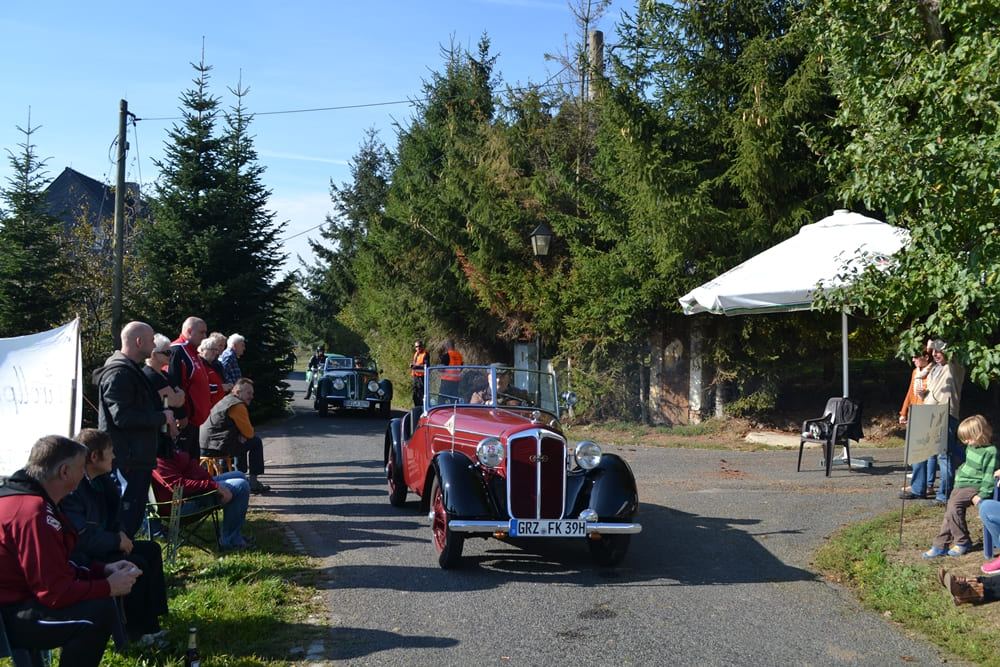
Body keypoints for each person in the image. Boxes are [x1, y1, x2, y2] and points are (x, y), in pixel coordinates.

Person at [0, 435, 140, 667]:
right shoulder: (33, 512)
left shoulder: (22, 497)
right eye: (81, 468)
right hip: (9, 615)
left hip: (19, 600)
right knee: (97, 615)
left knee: (99, 607)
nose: (84, 474)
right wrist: (107, 586)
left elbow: (55, 567)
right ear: (64, 472)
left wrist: (102, 570)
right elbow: (54, 593)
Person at [61, 429, 169, 643]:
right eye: (110, 451)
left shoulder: (102, 481)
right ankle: (136, 631)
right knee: (135, 564)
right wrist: (116, 541)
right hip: (85, 555)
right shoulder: (75, 490)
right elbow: (81, 538)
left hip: (105, 543)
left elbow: (114, 514)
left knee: (152, 549)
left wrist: (119, 532)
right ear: (94, 456)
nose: (114, 456)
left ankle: (153, 618)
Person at [92, 321, 174, 537]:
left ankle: (127, 554)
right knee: (123, 519)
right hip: (126, 458)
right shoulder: (118, 374)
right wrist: (161, 418)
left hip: (137, 457)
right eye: (151, 340)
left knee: (133, 517)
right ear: (138, 342)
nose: (154, 345)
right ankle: (118, 556)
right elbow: (122, 417)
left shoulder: (130, 371)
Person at [156, 440, 254, 550]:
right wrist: (214, 486)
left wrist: (209, 481)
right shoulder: (159, 456)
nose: (178, 427)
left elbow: (190, 468)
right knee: (241, 486)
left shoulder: (168, 446)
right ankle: (230, 540)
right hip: (179, 506)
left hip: (189, 494)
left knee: (239, 475)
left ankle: (233, 535)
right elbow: (178, 485)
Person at [922, 415, 997, 559]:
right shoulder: (971, 447)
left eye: (969, 438)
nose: (967, 442)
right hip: (961, 484)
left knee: (954, 506)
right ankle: (941, 544)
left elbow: (989, 476)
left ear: (979, 434)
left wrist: (983, 494)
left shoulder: (990, 452)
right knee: (950, 511)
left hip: (974, 486)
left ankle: (962, 541)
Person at [200, 378, 271, 494]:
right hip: (216, 447)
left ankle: (240, 475)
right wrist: (242, 434)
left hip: (205, 444)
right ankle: (253, 482)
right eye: (248, 393)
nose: (251, 396)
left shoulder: (227, 400)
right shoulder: (237, 406)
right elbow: (249, 433)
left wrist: (240, 434)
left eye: (252, 393)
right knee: (255, 441)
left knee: (241, 442)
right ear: (238, 392)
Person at [920, 338, 966, 505]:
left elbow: (953, 353)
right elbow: (933, 393)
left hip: (946, 413)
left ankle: (944, 495)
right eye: (933, 352)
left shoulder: (953, 367)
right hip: (931, 413)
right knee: (935, 452)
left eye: (938, 351)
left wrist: (932, 344)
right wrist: (923, 394)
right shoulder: (935, 369)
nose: (934, 354)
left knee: (944, 454)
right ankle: (931, 488)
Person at [168, 316, 211, 458]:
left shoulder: (193, 352)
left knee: (193, 462)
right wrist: (180, 415)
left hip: (194, 421)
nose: (205, 336)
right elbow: (174, 385)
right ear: (189, 331)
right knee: (183, 461)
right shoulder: (178, 351)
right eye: (201, 332)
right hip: (185, 421)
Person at [900, 348, 936, 499]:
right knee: (917, 452)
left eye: (916, 356)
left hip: (928, 413)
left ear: (926, 357)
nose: (913, 360)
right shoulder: (916, 372)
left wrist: (925, 392)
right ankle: (918, 483)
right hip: (915, 413)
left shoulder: (934, 372)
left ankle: (929, 484)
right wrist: (903, 412)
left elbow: (935, 394)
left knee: (930, 452)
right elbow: (910, 392)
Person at [198, 337, 229, 408]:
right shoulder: (198, 366)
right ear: (202, 350)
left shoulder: (216, 365)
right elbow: (202, 388)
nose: (215, 352)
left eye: (216, 350)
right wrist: (221, 387)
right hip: (206, 408)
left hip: (218, 407)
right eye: (212, 349)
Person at [410, 340, 429, 406]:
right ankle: (416, 407)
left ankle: (422, 407)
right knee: (415, 394)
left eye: (419, 346)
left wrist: (416, 366)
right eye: (416, 346)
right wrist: (412, 365)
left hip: (422, 377)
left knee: (421, 394)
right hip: (416, 377)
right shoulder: (416, 354)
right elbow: (415, 363)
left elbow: (427, 366)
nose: (418, 348)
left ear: (422, 346)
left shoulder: (425, 354)